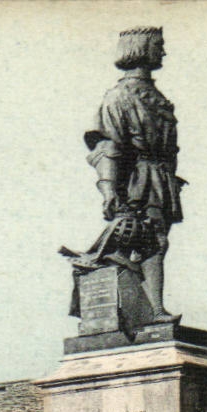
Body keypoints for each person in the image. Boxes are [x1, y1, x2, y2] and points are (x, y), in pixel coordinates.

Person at [72, 26, 185, 321]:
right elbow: (107, 146)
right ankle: (154, 310)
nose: (163, 51)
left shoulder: (156, 97)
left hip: (161, 178)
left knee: (155, 242)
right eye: (158, 45)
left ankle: (148, 306)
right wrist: (109, 189)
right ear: (141, 48)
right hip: (138, 179)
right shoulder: (119, 96)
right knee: (153, 242)